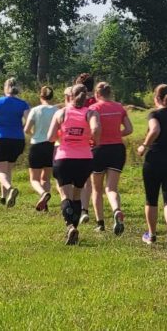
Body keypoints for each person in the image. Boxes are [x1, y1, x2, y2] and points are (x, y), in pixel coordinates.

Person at [47, 84, 101, 245]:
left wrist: (62, 135)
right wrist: (94, 140)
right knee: (77, 195)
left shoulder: (61, 112)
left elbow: (50, 138)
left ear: (70, 96)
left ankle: (70, 226)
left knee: (65, 196)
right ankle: (74, 228)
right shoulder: (91, 113)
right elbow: (96, 127)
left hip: (64, 158)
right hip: (85, 159)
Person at [136, 84, 167, 246]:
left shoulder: (154, 114)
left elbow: (155, 130)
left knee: (151, 198)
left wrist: (144, 145)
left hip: (154, 159)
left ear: (156, 98)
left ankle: (152, 234)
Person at [89, 82, 133, 234]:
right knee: (111, 188)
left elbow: (93, 129)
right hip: (117, 149)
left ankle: (100, 223)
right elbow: (129, 129)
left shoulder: (94, 108)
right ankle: (116, 210)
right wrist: (115, 134)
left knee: (97, 189)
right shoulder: (119, 107)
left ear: (96, 94)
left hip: (98, 149)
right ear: (110, 93)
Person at [0, 78, 30, 207]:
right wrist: (20, 126)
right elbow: (29, 120)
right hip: (18, 140)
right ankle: (4, 197)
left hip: (2, 138)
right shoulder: (23, 104)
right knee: (8, 169)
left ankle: (10, 188)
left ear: (5, 88)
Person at [25, 86, 59, 211]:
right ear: (52, 97)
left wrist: (34, 133)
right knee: (46, 178)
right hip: (51, 145)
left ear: (41, 96)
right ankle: (45, 205)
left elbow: (27, 129)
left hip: (36, 145)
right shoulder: (56, 110)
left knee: (34, 178)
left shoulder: (35, 110)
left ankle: (42, 194)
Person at [73, 73, 97, 224]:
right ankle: (84, 209)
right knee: (88, 180)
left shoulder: (75, 102)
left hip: (75, 143)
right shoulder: (95, 102)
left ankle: (74, 205)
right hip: (92, 143)